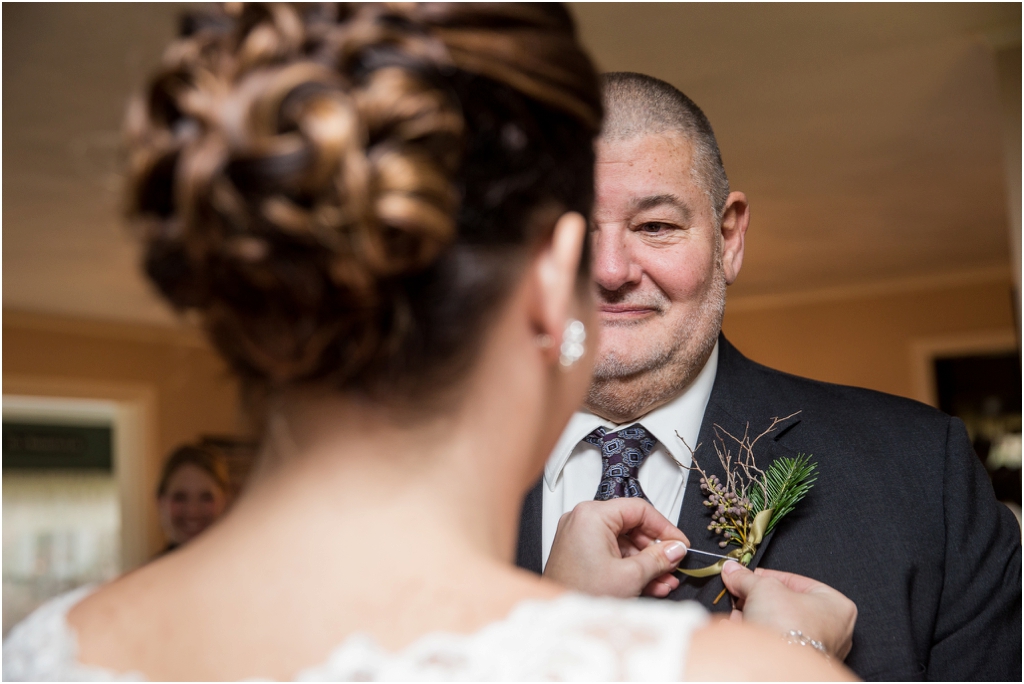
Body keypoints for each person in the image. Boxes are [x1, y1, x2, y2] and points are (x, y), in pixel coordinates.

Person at [2, 5, 854, 680]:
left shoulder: (47, 652)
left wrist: (552, 610)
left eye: (657, 226)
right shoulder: (753, 675)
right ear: (557, 270)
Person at [515, 71, 1023, 680]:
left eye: (655, 226)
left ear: (729, 238)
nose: (611, 270)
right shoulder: (411, 481)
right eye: (572, 231)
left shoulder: (920, 473)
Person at [156, 444, 231, 553]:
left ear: (225, 500)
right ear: (160, 502)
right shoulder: (149, 570)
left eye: (206, 498)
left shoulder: (251, 568)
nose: (193, 510)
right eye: (180, 498)